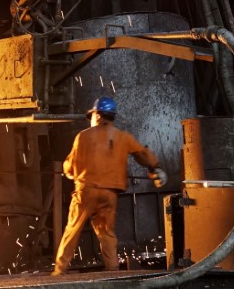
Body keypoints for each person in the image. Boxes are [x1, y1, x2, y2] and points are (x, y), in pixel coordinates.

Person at [51, 96, 167, 275]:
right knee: (107, 234)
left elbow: (70, 166)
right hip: (110, 195)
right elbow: (142, 154)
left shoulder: (83, 136)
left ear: (97, 115)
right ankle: (112, 271)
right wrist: (156, 168)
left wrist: (69, 171)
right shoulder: (123, 137)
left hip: (86, 191)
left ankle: (59, 271)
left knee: (72, 230)